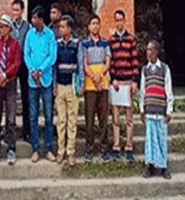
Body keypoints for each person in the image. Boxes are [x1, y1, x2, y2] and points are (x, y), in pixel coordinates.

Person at [0, 14, 22, 165]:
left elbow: (16, 63)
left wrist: (6, 75)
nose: (0, 29)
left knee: (11, 119)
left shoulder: (15, 45)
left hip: (10, 84)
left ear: (9, 28)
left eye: (2, 27)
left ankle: (11, 149)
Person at [24, 5, 57, 162]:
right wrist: (32, 70)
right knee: (33, 116)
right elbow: (27, 53)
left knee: (49, 116)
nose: (33, 20)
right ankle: (35, 148)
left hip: (46, 80)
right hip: (32, 81)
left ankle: (48, 148)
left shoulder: (50, 35)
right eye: (32, 17)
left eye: (35, 18)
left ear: (41, 19)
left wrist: (40, 71)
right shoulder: (30, 34)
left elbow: (52, 56)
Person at [140, 40, 174, 180]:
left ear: (156, 51)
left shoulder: (164, 69)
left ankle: (163, 166)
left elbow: (169, 91)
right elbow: (143, 91)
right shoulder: (145, 70)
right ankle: (150, 165)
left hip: (160, 109)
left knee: (161, 138)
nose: (148, 53)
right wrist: (142, 109)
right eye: (147, 50)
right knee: (150, 139)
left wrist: (169, 110)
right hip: (149, 109)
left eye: (150, 50)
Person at [81, 13, 112, 163]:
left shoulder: (105, 43)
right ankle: (89, 148)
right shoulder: (84, 44)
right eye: (93, 23)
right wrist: (94, 78)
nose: (95, 26)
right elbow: (84, 64)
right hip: (90, 84)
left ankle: (104, 148)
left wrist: (100, 77)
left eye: (97, 23)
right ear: (88, 27)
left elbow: (108, 62)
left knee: (103, 116)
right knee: (89, 117)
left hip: (103, 83)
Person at [109, 9, 139, 163]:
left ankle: (128, 146)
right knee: (115, 118)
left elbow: (135, 61)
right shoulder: (112, 40)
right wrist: (112, 78)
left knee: (128, 118)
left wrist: (135, 81)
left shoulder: (131, 39)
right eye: (117, 20)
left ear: (125, 21)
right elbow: (111, 62)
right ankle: (116, 145)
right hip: (116, 83)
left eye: (121, 20)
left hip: (128, 82)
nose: (119, 23)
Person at [54, 14, 83, 165]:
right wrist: (53, 86)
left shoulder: (77, 44)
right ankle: (60, 151)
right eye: (60, 27)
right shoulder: (57, 44)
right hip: (60, 85)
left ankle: (70, 151)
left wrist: (81, 84)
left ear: (70, 28)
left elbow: (80, 64)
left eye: (63, 26)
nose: (60, 29)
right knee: (61, 120)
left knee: (72, 120)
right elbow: (54, 66)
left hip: (72, 85)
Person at [9, 0, 32, 141]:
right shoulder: (9, 26)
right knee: (10, 99)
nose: (15, 13)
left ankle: (26, 132)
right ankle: (10, 132)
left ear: (22, 11)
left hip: (24, 66)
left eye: (17, 10)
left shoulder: (28, 27)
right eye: (13, 10)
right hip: (11, 66)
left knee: (26, 100)